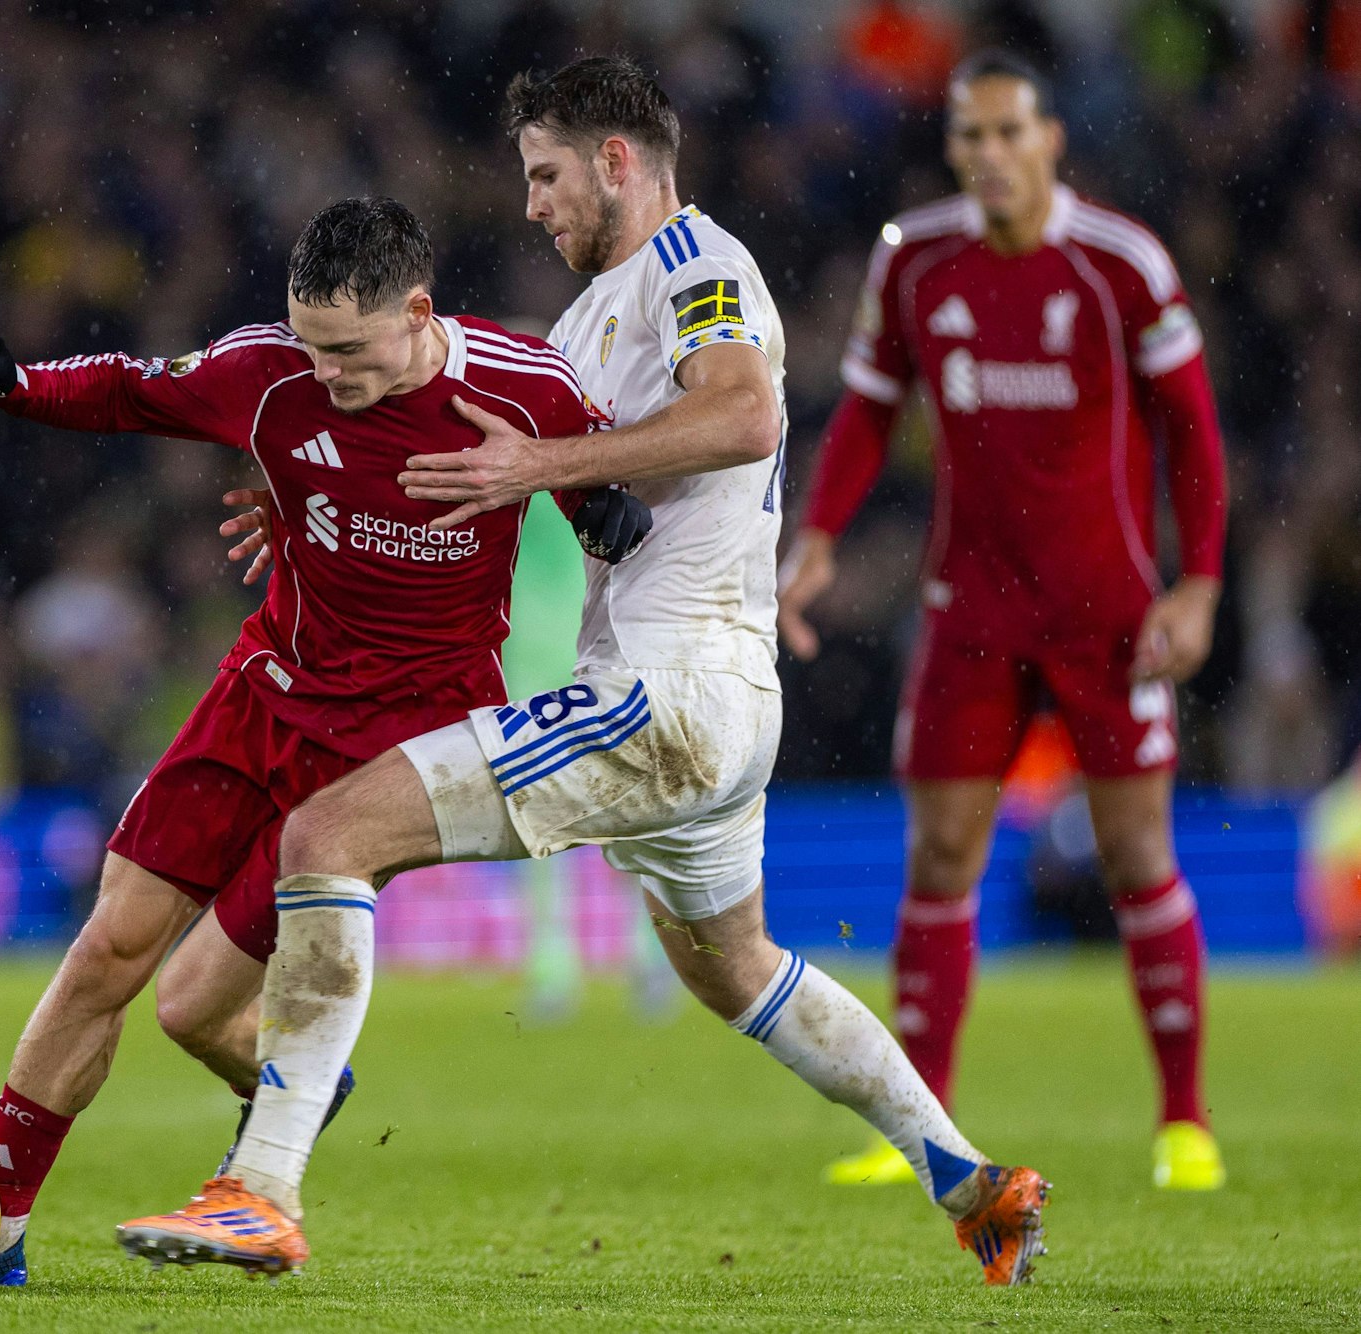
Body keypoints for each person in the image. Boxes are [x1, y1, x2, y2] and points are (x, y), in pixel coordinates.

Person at [120, 56, 1049, 1287]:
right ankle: (968, 1178)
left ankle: (262, 1189)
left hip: (669, 690)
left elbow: (748, 415)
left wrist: (543, 465)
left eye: (545, 174)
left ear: (617, 162)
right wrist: (302, 503)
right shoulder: (574, 328)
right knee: (735, 966)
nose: (531, 205)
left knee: (327, 833)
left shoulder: (697, 270)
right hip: (709, 706)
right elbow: (489, 470)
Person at [0, 197, 651, 1287]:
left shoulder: (525, 383)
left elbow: (596, 472)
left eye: (348, 348)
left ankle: (288, 1095)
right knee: (110, 947)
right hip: (265, 694)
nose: (323, 368)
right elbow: (131, 389)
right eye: (309, 339)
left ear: (417, 311)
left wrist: (601, 503)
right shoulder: (269, 368)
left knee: (190, 1006)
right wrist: (16, 385)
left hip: (401, 743)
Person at [776, 51, 1229, 1191]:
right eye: (968, 137)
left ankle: (1185, 1119)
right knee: (939, 856)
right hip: (969, 610)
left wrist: (1200, 585)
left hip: (1107, 614)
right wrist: (820, 533)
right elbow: (871, 411)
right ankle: (922, 1128)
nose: (987, 155)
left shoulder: (1121, 265)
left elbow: (1195, 436)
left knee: (1136, 854)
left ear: (1051, 137)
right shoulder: (915, 260)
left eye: (1007, 132)